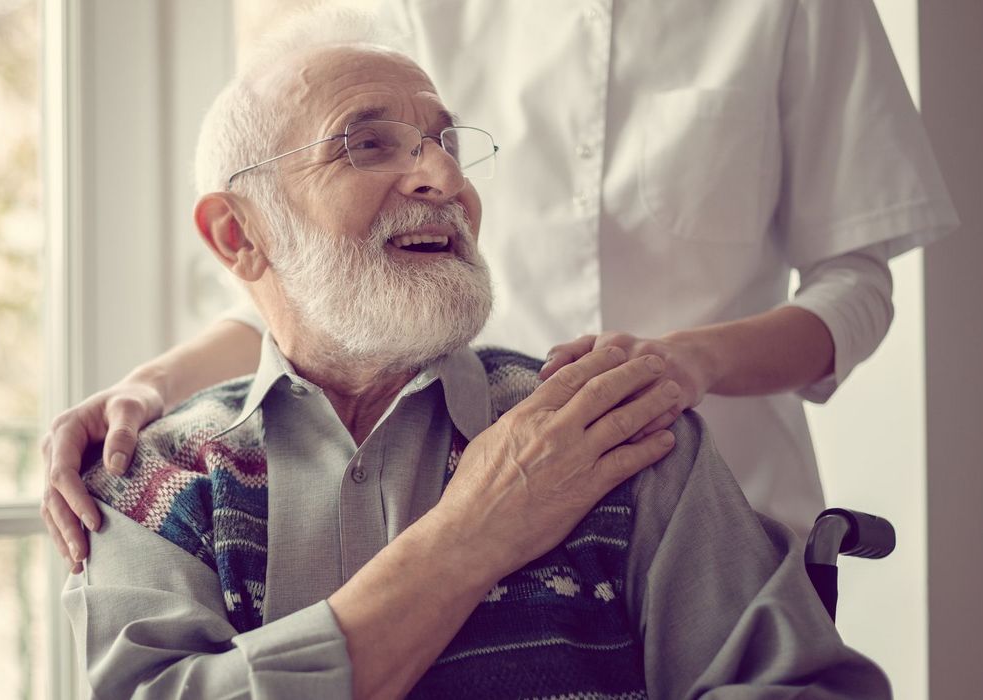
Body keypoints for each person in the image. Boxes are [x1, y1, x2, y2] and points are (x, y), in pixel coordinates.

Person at [63, 17, 889, 698]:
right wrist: (149, 386)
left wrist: (681, 366)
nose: (442, 175)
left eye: (446, 142)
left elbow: (856, 284)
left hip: (631, 437)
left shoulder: (629, 436)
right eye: (368, 145)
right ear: (236, 234)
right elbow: (316, 283)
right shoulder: (154, 482)